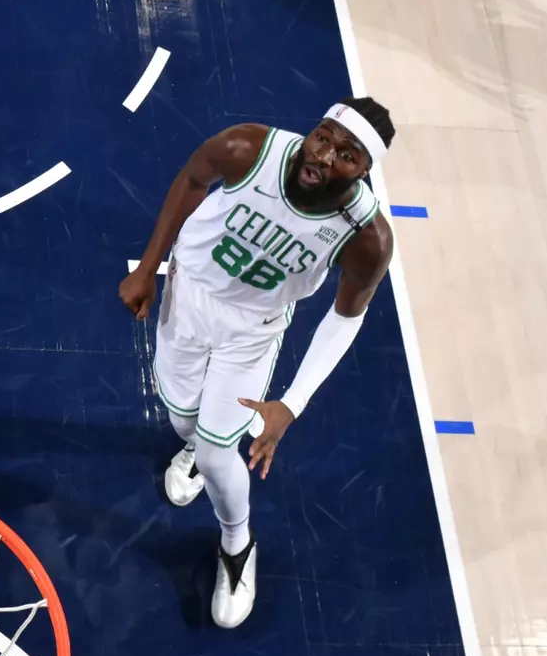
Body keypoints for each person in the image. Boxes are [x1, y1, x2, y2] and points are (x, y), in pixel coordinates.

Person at [119, 98, 397, 629]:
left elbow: (347, 317)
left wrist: (291, 404)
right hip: (189, 293)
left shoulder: (366, 238)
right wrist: (149, 267)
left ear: (363, 171)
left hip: (252, 330)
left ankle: (236, 546)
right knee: (181, 419)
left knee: (216, 447)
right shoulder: (249, 148)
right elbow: (191, 178)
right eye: (323, 137)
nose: (325, 154)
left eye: (346, 154)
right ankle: (201, 443)